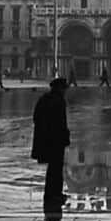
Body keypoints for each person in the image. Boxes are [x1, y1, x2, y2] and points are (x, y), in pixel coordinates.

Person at [32, 77, 71, 209]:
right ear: (60, 88)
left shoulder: (45, 99)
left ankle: (51, 194)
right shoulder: (58, 101)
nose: (65, 91)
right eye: (64, 88)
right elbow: (61, 122)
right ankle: (55, 195)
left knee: (53, 169)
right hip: (56, 140)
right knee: (56, 169)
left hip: (48, 139)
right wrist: (64, 136)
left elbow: (36, 117)